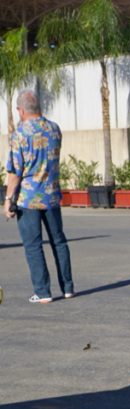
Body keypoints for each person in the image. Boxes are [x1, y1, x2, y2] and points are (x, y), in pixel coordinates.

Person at [3, 89, 74, 303]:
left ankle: (43, 292)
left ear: (21, 110)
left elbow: (15, 171)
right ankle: (68, 287)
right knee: (59, 241)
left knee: (33, 245)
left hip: (28, 199)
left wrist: (7, 200)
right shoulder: (54, 129)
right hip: (52, 196)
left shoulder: (20, 134)